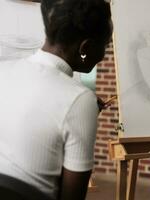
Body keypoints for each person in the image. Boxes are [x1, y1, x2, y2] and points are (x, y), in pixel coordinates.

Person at [0, 0, 112, 199]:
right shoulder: (81, 99)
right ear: (85, 47)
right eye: (105, 45)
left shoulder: (4, 72)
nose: (103, 54)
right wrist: (80, 111)